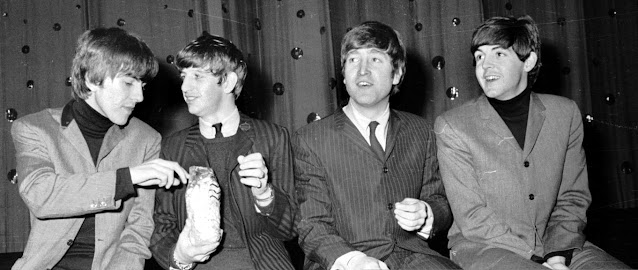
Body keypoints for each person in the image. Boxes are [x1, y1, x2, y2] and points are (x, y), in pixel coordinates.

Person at [434, 15, 631, 270]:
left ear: (528, 61)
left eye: (498, 55)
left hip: (560, 243)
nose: (485, 65)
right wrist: (536, 259)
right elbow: (472, 218)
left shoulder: (565, 113)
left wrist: (557, 254)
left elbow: (572, 197)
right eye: (480, 56)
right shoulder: (453, 125)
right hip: (485, 247)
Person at [10, 27, 190, 270]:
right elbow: (41, 194)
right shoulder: (34, 128)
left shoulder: (146, 139)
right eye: (128, 83)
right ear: (91, 80)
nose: (139, 97)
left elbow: (139, 230)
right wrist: (128, 178)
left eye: (142, 86)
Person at [293, 21, 460, 270]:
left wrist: (427, 212)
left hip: (415, 258)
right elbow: (311, 224)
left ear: (397, 73)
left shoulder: (421, 130)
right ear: (344, 74)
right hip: (344, 261)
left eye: (375, 60)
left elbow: (439, 199)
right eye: (353, 60)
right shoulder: (311, 138)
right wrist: (354, 260)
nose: (362, 71)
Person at [149, 33, 297, 270]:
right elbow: (162, 227)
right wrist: (181, 258)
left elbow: (290, 228)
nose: (185, 87)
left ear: (227, 82)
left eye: (197, 76)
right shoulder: (172, 147)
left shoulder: (273, 137)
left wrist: (265, 194)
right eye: (184, 76)